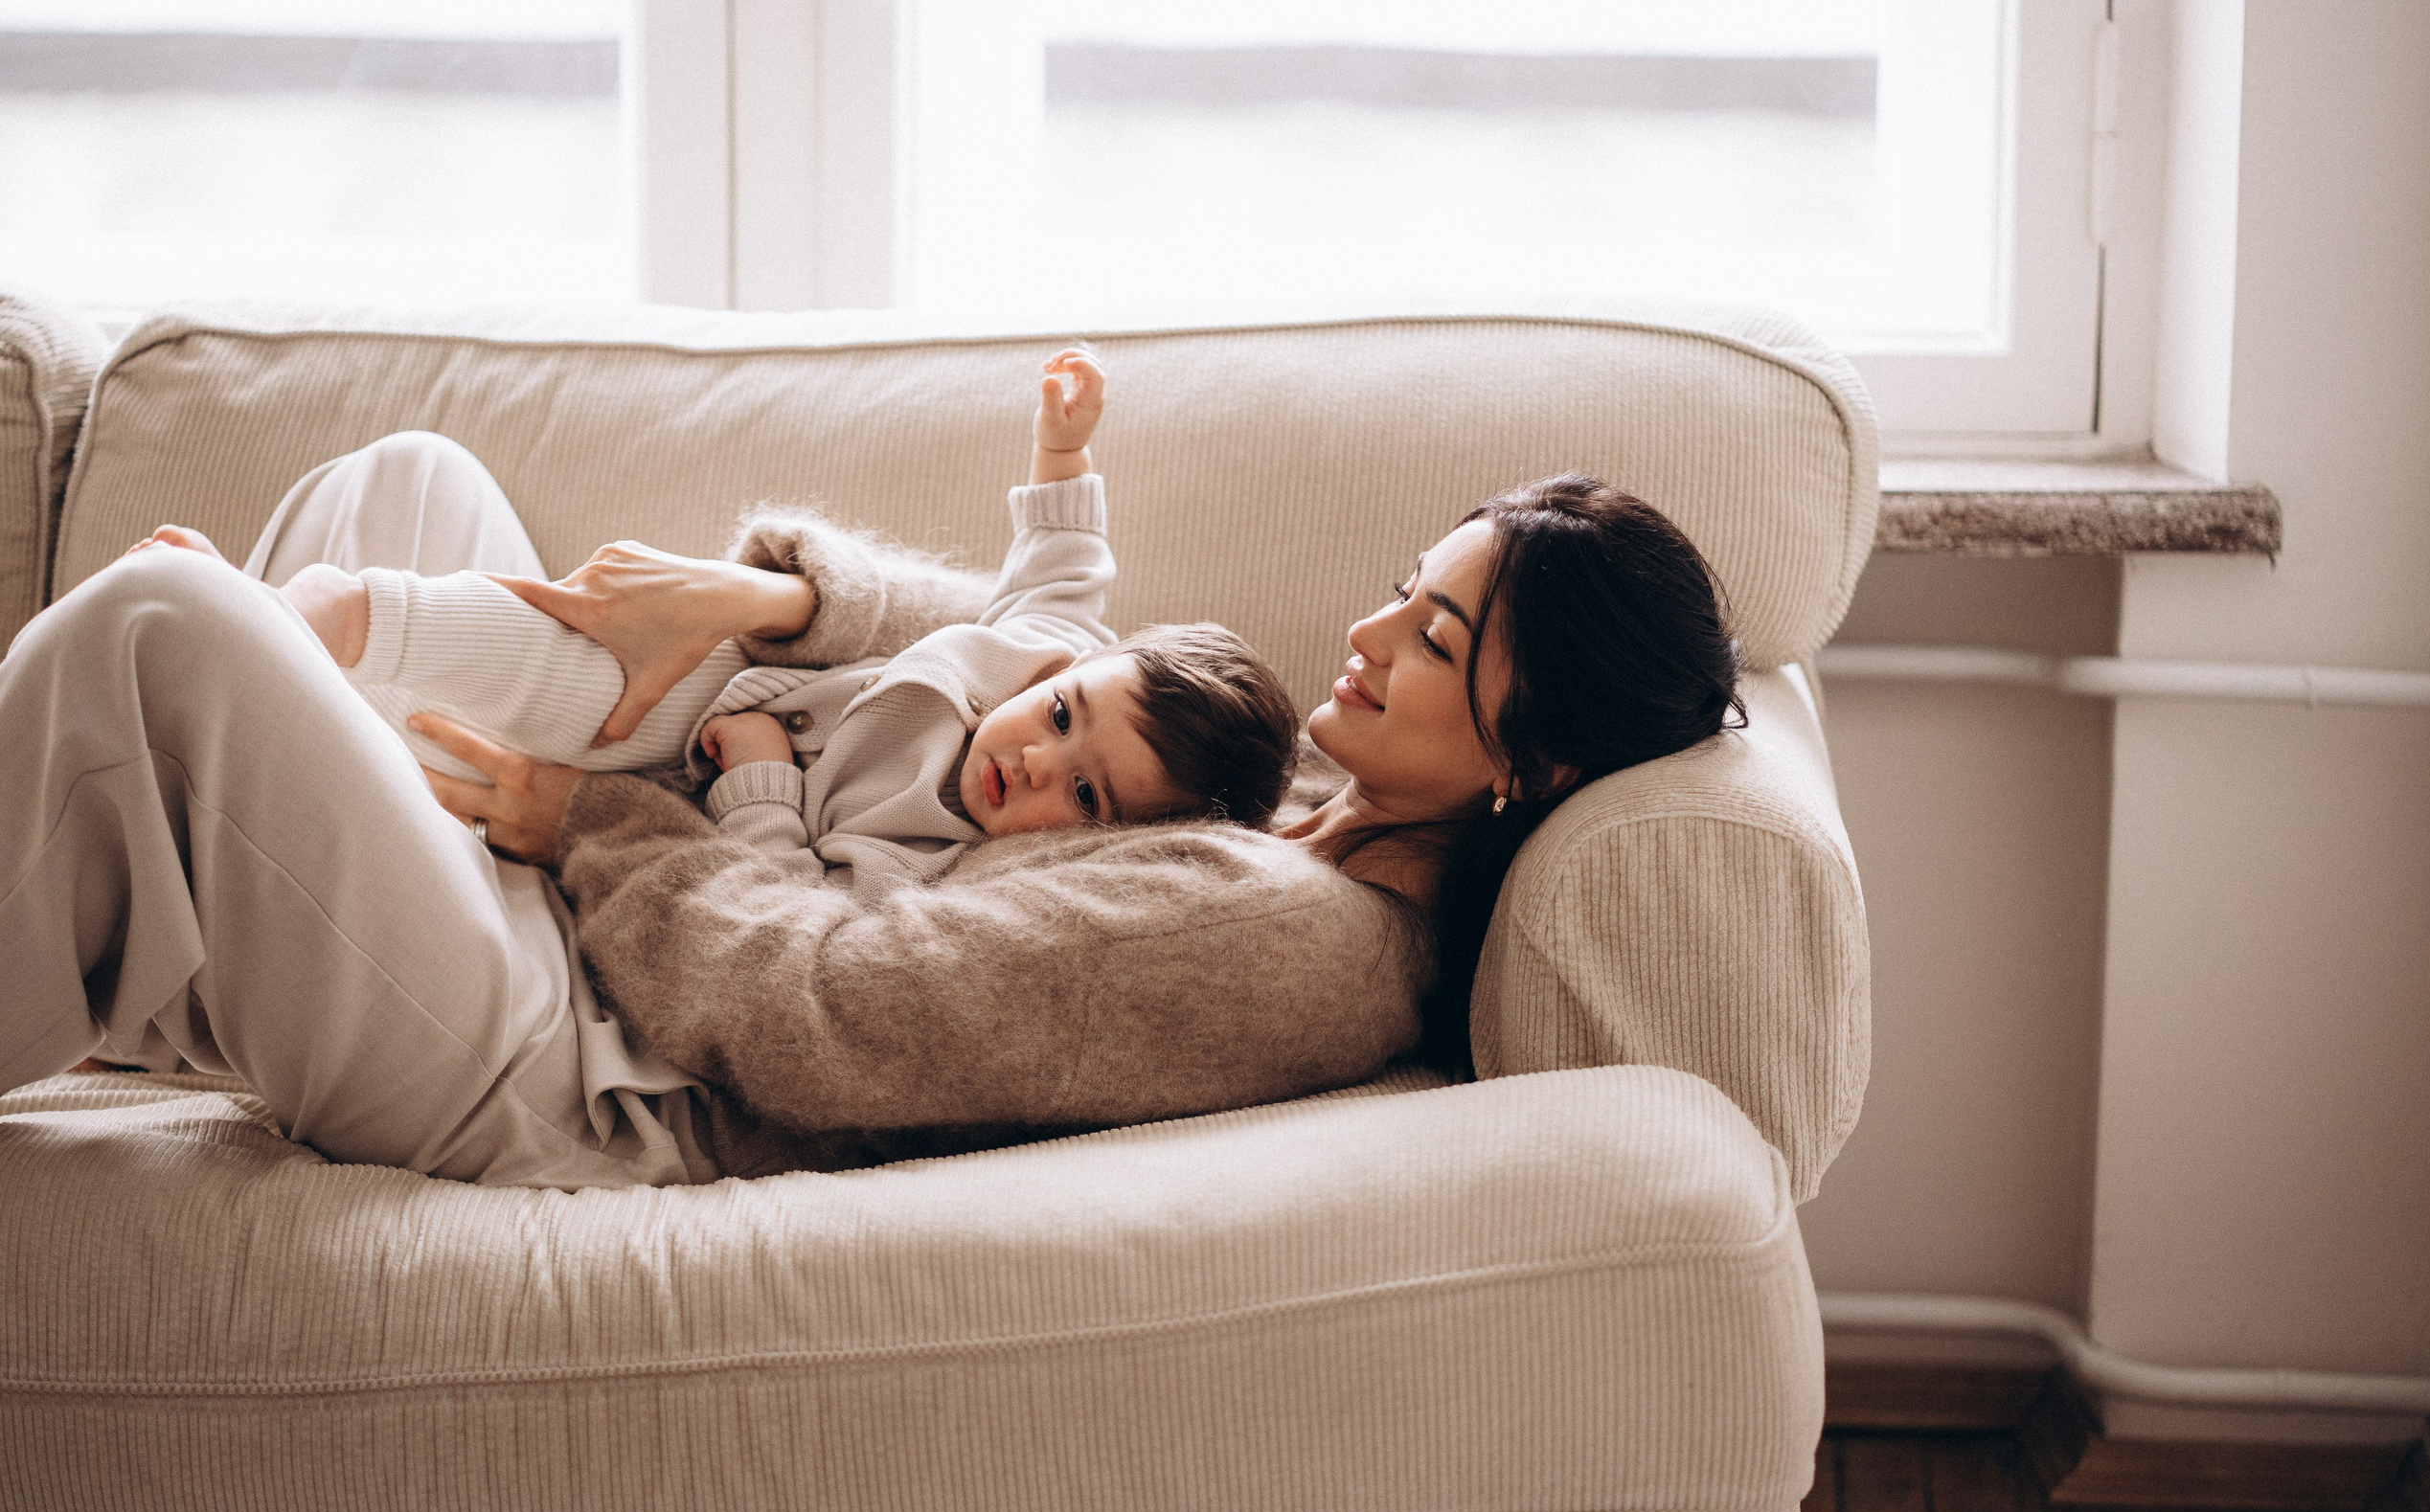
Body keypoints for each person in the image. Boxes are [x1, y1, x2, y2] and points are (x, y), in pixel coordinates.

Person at [0, 374, 1741, 1184]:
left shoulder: (1296, 940)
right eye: (1407, 587)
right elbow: (1029, 661)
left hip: (596, 1071)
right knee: (410, 489)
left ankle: (154, 850)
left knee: (170, 621)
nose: (1370, 632)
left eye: (1435, 645)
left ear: (1539, 763)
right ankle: (154, 910)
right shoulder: (1296, 798)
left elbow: (821, 1009)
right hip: (589, 959)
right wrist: (764, 599)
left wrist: (611, 817)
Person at [129, 350, 1301, 908]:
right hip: (691, 689)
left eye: (1084, 796)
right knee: (438, 526)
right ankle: (280, 627)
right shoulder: (1038, 641)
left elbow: (791, 901)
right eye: (1060, 718)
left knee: (469, 714)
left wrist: (763, 793)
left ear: (1101, 849)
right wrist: (1062, 449)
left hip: (668, 786)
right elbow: (1064, 559)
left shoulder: (932, 874)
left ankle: (273, 642)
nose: (1035, 759)